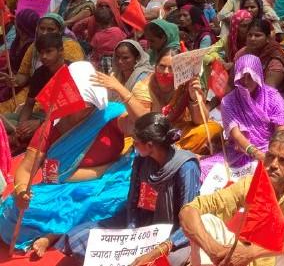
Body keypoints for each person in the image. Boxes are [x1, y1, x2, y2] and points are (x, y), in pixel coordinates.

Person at [0, 62, 135, 251]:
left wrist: (121, 90)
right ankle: (59, 230)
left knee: (108, 200)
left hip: (107, 181)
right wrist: (22, 191)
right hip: (59, 188)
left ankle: (54, 235)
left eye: (87, 104)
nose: (81, 108)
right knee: (13, 214)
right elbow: (26, 168)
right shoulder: (50, 125)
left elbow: (142, 125)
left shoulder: (110, 115)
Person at [55, 113, 200, 265]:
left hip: (175, 233)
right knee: (80, 235)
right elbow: (133, 200)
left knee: (162, 261)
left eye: (135, 142)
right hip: (142, 222)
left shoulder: (187, 167)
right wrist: (132, 232)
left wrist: (159, 249)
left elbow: (190, 222)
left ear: (150, 146)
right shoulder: (141, 159)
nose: (132, 146)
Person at [179, 130, 284, 266]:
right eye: (270, 156)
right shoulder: (252, 182)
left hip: (271, 258)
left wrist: (250, 253)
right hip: (245, 257)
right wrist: (214, 250)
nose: (273, 165)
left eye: (283, 161)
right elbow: (188, 210)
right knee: (205, 219)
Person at [200, 54, 284, 177]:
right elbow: (236, 134)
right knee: (204, 170)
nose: (245, 82)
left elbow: (281, 132)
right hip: (239, 152)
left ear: (258, 75)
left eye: (250, 77)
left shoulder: (273, 97)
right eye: (242, 77)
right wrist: (255, 153)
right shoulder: (228, 101)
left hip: (270, 151)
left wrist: (272, 155)